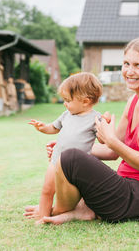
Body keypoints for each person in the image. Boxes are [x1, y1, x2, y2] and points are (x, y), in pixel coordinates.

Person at [25, 37, 139, 225]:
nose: (129, 71)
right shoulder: (134, 101)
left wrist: (110, 141)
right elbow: (112, 152)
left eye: (138, 65)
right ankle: (80, 211)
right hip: (126, 186)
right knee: (71, 155)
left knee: (71, 158)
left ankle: (56, 212)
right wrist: (70, 146)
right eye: (126, 63)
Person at [27, 72, 108, 224]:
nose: (65, 103)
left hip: (78, 168)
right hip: (56, 160)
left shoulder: (95, 119)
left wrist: (105, 128)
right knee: (47, 190)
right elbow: (53, 128)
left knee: (82, 194)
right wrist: (43, 127)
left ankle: (83, 211)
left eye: (68, 100)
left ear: (85, 101)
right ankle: (44, 217)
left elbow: (103, 141)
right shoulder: (66, 115)